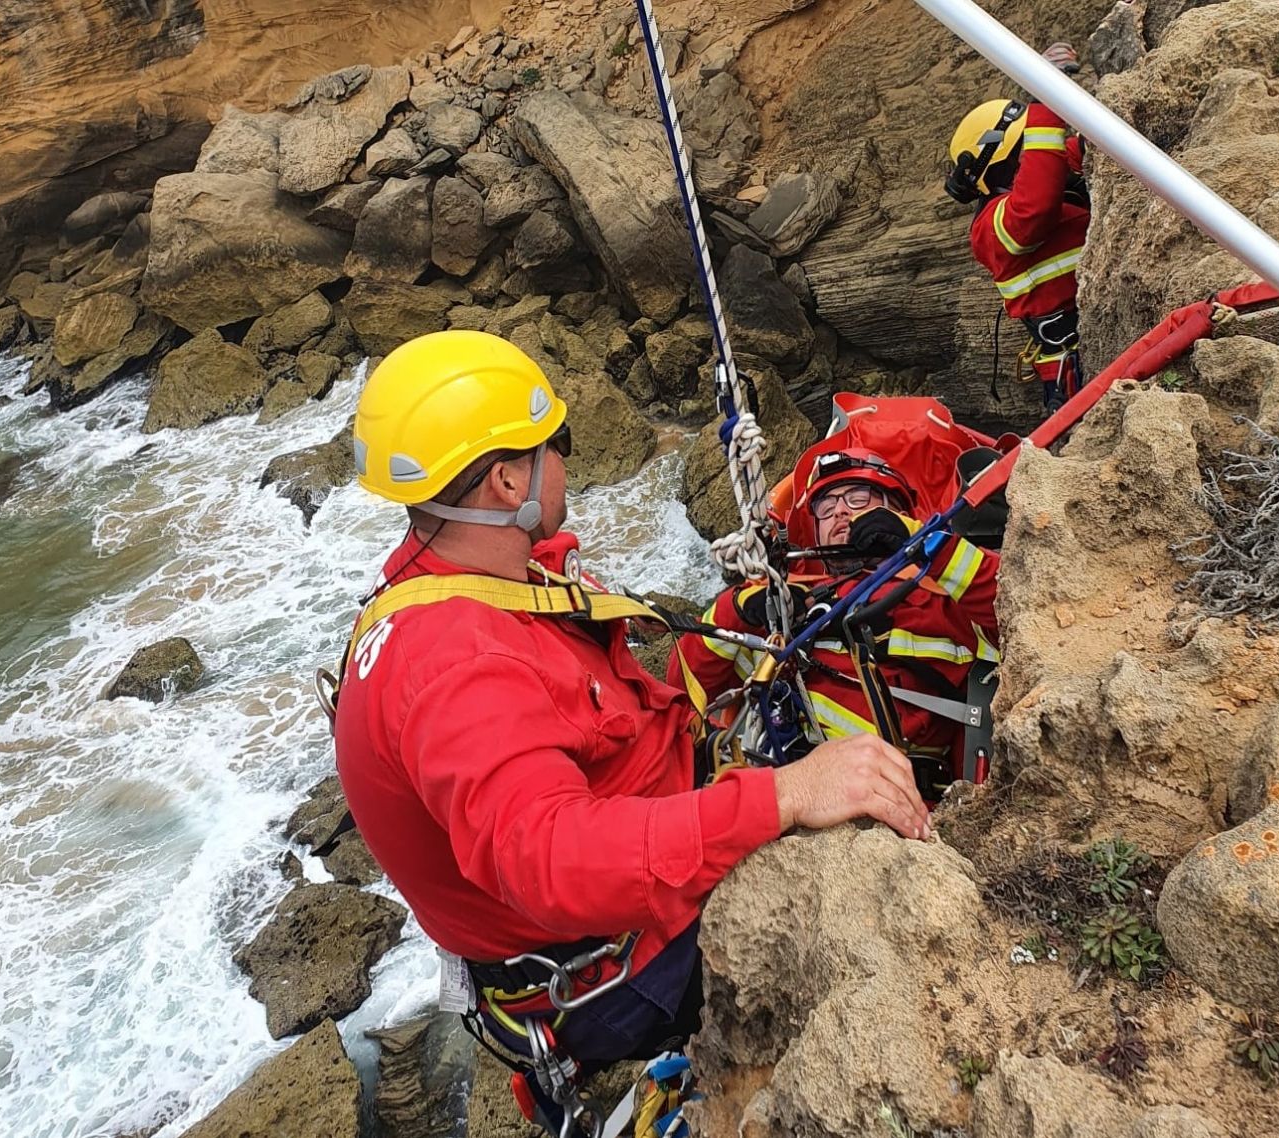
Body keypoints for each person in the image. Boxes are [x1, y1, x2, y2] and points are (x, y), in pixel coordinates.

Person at [331, 331, 932, 1127]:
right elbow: (554, 859)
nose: (565, 463)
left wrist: (717, 650)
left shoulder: (462, 584)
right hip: (616, 972)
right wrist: (782, 797)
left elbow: (596, 716)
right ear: (508, 478)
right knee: (884, 912)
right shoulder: (457, 665)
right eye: (558, 444)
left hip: (600, 899)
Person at [674, 446, 1001, 800]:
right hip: (785, 794)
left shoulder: (940, 593)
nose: (841, 511)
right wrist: (733, 609)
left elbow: (1021, 612)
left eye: (858, 497)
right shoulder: (781, 607)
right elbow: (683, 693)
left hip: (900, 804)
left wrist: (927, 543)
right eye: (826, 509)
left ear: (896, 510)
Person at [944, 44, 1089, 413]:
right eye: (1031, 140)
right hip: (1075, 370)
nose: (1043, 144)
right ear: (1005, 156)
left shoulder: (1050, 172)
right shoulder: (988, 231)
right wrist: (1043, 97)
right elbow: (1034, 207)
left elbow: (1078, 152)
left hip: (1100, 341)